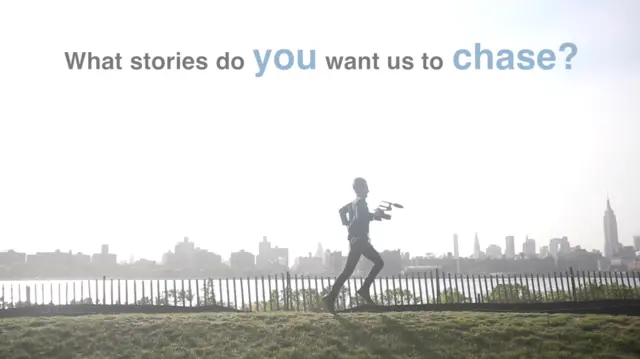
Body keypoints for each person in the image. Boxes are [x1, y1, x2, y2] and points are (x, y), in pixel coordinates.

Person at [322, 177, 385, 313]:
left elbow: (341, 211)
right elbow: (361, 218)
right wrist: (373, 216)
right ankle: (362, 289)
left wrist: (348, 225)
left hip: (356, 241)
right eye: (366, 187)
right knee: (378, 263)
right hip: (360, 241)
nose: (368, 190)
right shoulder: (361, 203)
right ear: (361, 188)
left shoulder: (353, 203)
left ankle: (332, 297)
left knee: (348, 271)